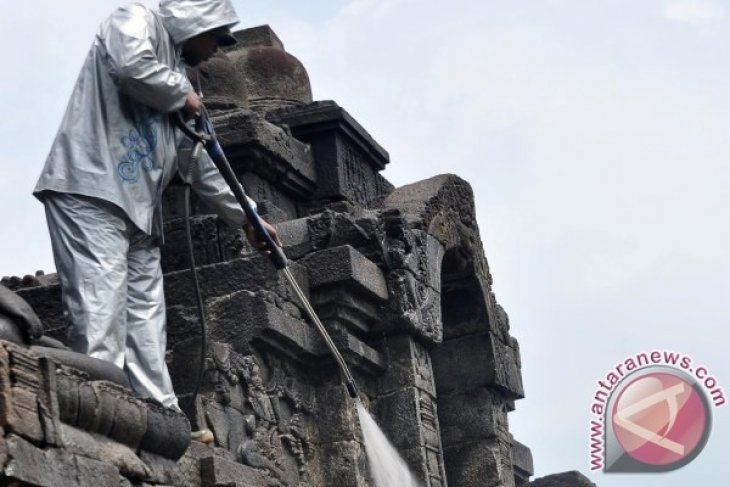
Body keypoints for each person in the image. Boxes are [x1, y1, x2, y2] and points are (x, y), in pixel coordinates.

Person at [33, 0, 280, 411]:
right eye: (215, 36)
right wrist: (180, 93)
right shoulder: (134, 20)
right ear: (193, 21)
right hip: (92, 189)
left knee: (147, 319)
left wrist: (248, 216)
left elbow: (199, 160)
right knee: (100, 308)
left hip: (140, 211)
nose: (218, 48)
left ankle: (160, 410)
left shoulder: (184, 82)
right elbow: (129, 66)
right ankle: (99, 407)